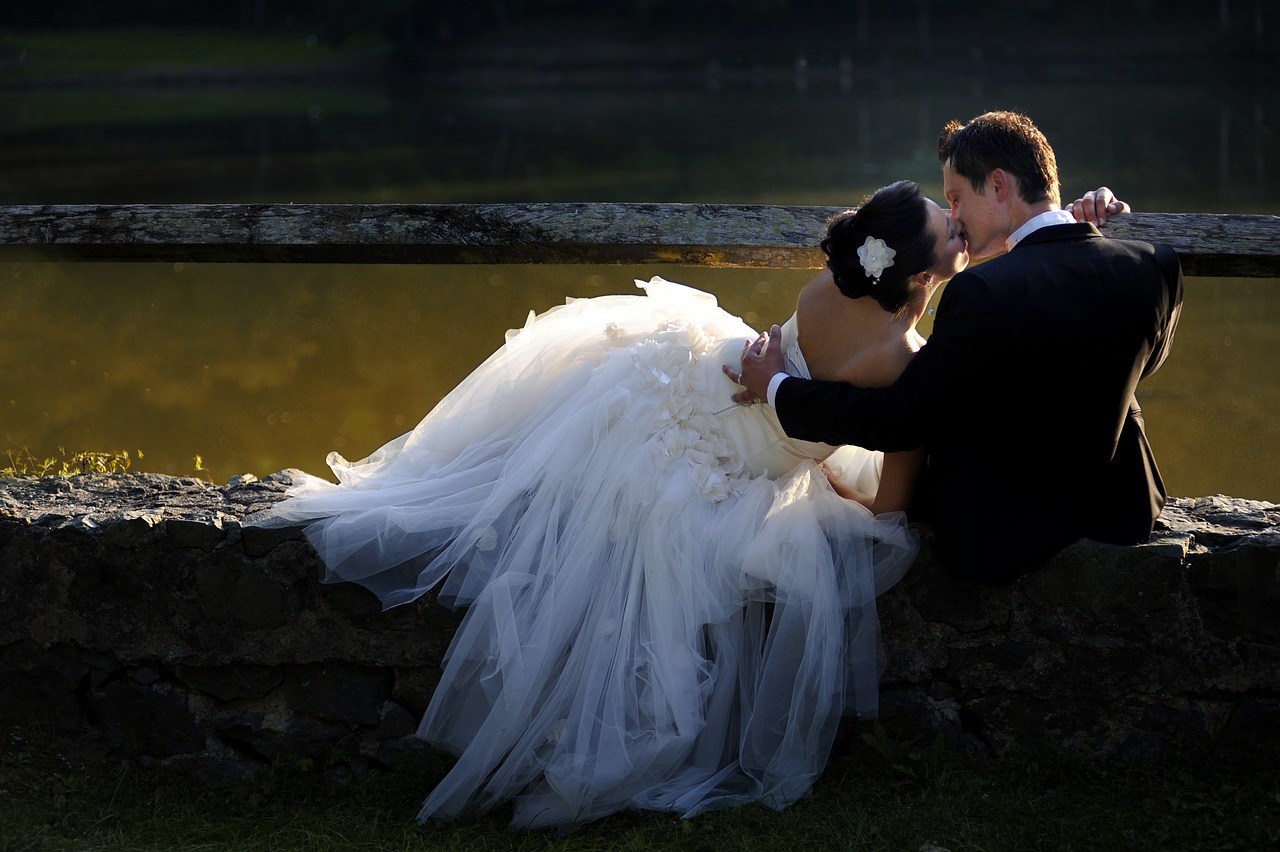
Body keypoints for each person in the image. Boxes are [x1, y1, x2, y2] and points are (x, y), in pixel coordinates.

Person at [262, 175, 1120, 830]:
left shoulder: (832, 290)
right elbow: (889, 511)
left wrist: (793, 410)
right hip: (738, 459)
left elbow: (950, 279)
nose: (957, 221)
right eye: (950, 225)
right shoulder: (904, 365)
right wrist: (828, 482)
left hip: (695, 383)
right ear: (930, 273)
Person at [733, 111, 1184, 586]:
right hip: (1118, 508)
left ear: (997, 185)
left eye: (955, 197)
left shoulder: (984, 291)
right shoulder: (1154, 266)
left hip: (1001, 530)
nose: (956, 217)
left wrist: (778, 387)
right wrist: (1079, 234)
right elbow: (1140, 364)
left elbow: (900, 418)